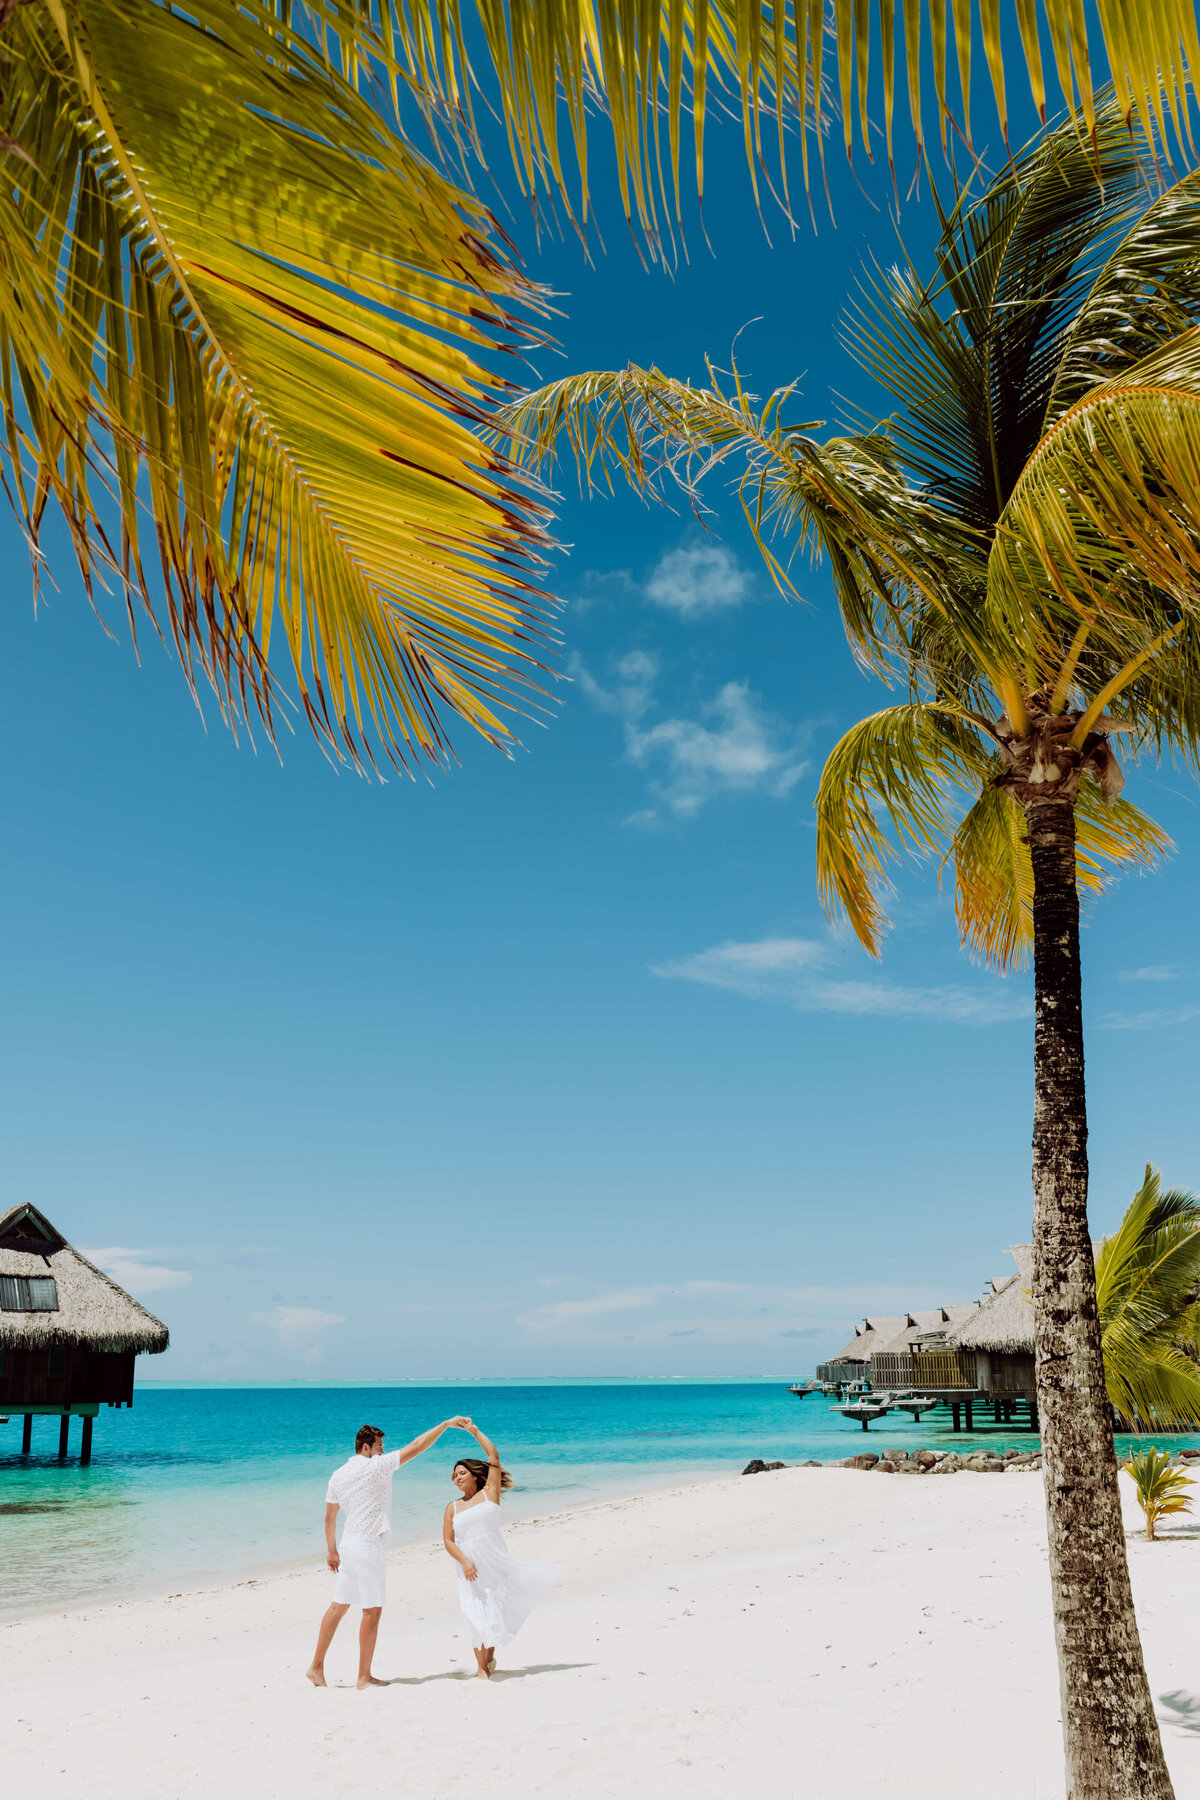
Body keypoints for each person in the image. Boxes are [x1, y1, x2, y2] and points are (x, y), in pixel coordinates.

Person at [308, 1415, 469, 1689]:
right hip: (368, 1546)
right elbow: (417, 1446)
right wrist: (444, 1425)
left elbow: (329, 1517)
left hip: (348, 1545)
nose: (383, 1450)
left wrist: (331, 1550)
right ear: (366, 1447)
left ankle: (316, 1667)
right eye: (380, 1445)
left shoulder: (338, 1475)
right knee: (371, 1611)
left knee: (338, 1606)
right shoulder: (376, 1467)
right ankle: (363, 1677)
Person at [442, 1418, 561, 1678]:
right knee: (475, 1614)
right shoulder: (452, 1507)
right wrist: (464, 1561)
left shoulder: (489, 1493)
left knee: (494, 1611)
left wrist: (474, 1432)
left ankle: (490, 1657)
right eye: (454, 1475)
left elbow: (493, 1456)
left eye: (462, 1473)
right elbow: (448, 1540)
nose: (457, 1478)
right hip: (468, 1567)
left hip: (495, 1564)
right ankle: (482, 1670)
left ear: (475, 1475)